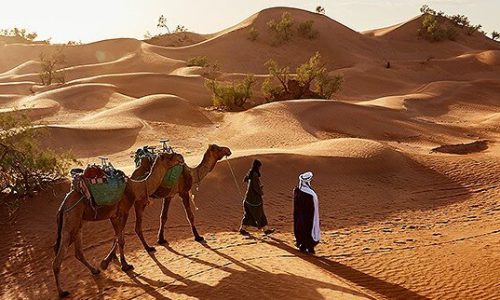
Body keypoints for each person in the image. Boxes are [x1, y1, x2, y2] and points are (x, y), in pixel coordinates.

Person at [239, 159, 275, 236]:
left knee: (248, 215)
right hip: (254, 201)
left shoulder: (251, 172)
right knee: (260, 214)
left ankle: (242, 229)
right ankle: (266, 230)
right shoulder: (254, 175)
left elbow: (245, 179)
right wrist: (261, 191)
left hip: (248, 199)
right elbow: (256, 187)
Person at [293, 171, 320, 254]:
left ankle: (303, 245)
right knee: (309, 230)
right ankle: (309, 246)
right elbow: (312, 206)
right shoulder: (310, 194)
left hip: (299, 216)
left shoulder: (297, 190)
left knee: (301, 229)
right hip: (308, 216)